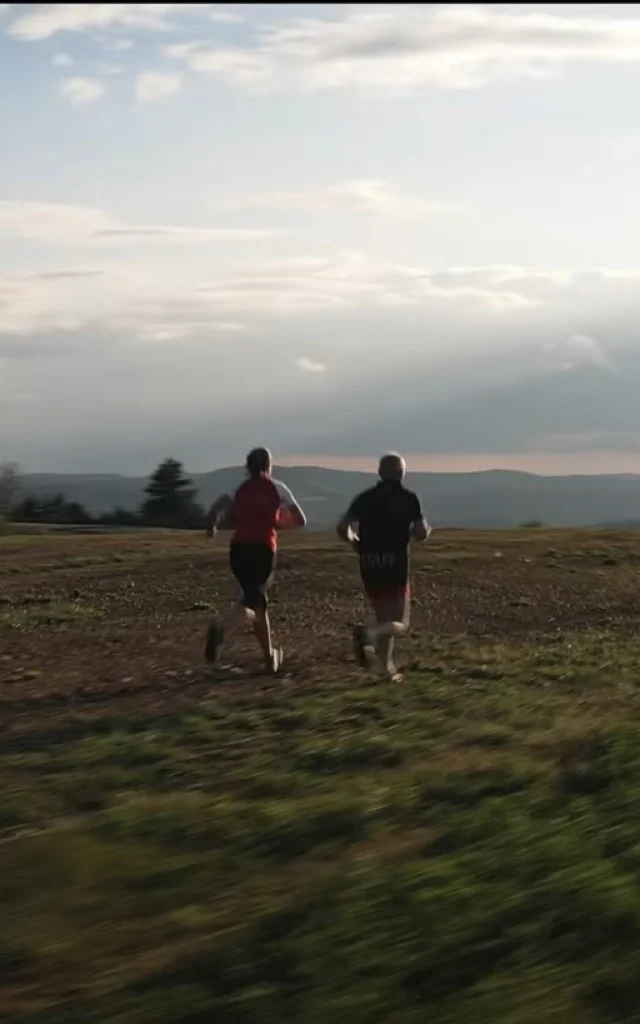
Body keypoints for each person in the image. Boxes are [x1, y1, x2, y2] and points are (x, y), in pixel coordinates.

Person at [203, 447, 306, 674]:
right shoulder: (278, 488)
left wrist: (213, 525)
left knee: (258, 603)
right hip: (263, 549)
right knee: (251, 603)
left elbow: (216, 508)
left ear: (247, 467)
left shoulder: (239, 488)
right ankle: (223, 628)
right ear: (269, 466)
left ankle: (269, 657)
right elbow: (301, 520)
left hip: (238, 549)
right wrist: (278, 524)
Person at [337, 452, 431, 682]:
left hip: (369, 563)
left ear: (380, 473)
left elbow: (342, 527)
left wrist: (355, 542)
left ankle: (386, 671)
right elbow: (419, 533)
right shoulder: (409, 499)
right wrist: (425, 530)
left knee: (384, 617)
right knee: (400, 623)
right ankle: (369, 634)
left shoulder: (364, 498)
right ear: (402, 473)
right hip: (396, 563)